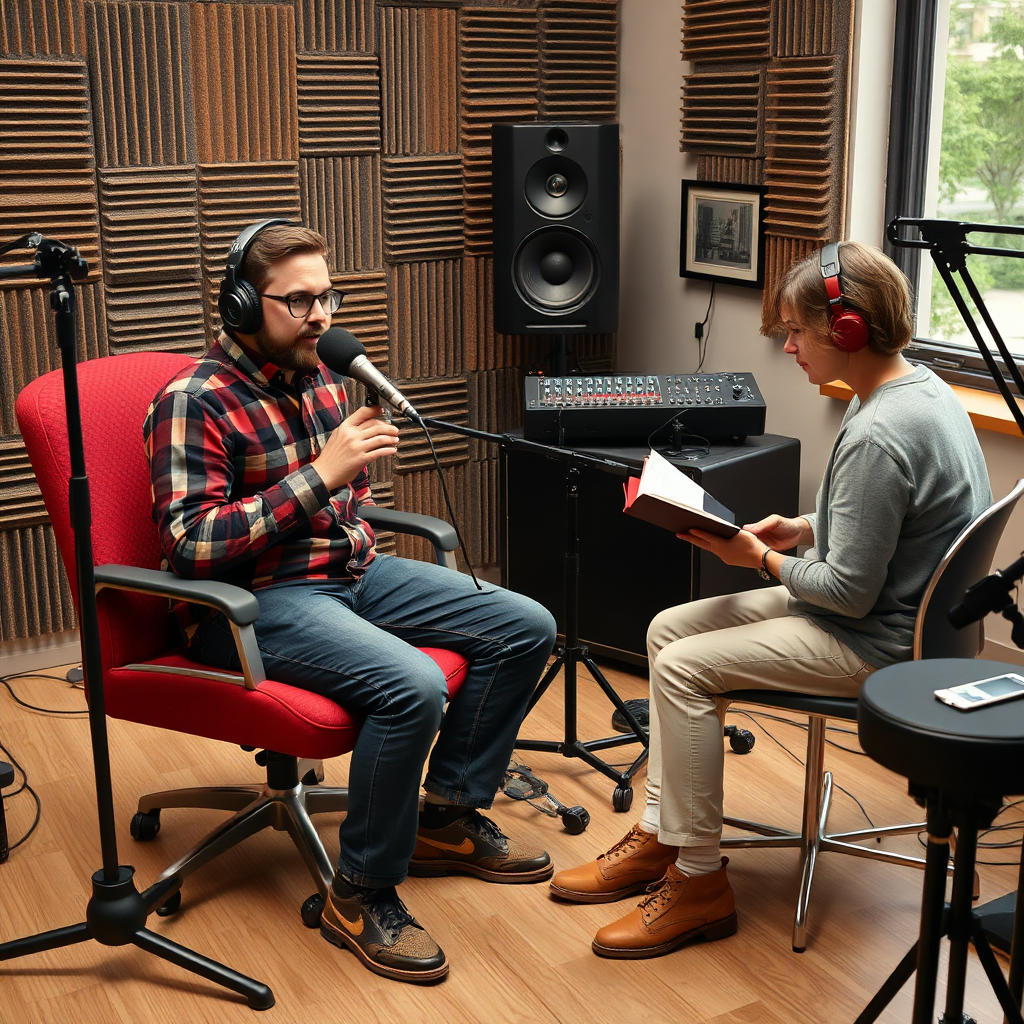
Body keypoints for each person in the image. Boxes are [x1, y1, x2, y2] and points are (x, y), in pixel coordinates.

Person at [550, 240, 992, 959]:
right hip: (909, 619)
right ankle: (665, 832)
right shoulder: (923, 390)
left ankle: (698, 884)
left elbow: (846, 594)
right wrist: (810, 525)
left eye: (796, 330)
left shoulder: (879, 431)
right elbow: (903, 514)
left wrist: (757, 556)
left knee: (685, 669)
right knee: (667, 632)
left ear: (846, 331)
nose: (788, 346)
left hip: (878, 643)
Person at [143, 220, 557, 984]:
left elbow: (349, 504)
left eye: (326, 295)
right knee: (412, 685)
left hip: (350, 576)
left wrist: (345, 479)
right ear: (240, 305)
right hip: (250, 602)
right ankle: (359, 892)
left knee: (526, 626)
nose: (322, 316)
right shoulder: (192, 400)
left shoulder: (325, 377)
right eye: (297, 301)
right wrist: (320, 477)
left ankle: (444, 816)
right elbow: (190, 545)